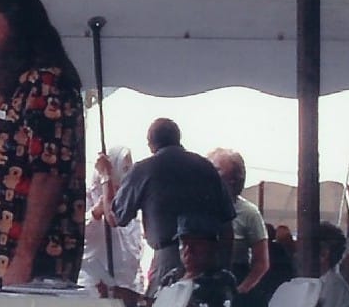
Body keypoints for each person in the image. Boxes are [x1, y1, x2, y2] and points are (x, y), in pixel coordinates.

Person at [0, 0, 86, 290]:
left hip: (28, 258)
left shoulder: (47, 84)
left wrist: (24, 257)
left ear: (21, 29)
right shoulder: (18, 85)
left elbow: (49, 175)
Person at [112, 118, 234, 286]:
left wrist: (105, 179)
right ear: (178, 138)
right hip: (209, 258)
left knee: (165, 301)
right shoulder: (206, 167)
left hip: (169, 258)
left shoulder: (144, 170)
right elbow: (227, 222)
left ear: (151, 144)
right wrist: (224, 265)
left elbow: (117, 217)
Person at [80, 145, 145, 296]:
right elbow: (81, 234)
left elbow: (134, 253)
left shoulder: (129, 205)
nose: (127, 173)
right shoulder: (88, 198)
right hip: (94, 289)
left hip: (125, 290)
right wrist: (96, 213)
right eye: (124, 167)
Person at [207, 147, 270, 295]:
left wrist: (242, 290)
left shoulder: (249, 213)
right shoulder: (200, 209)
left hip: (236, 283)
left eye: (217, 170)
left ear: (234, 179)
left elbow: (261, 262)